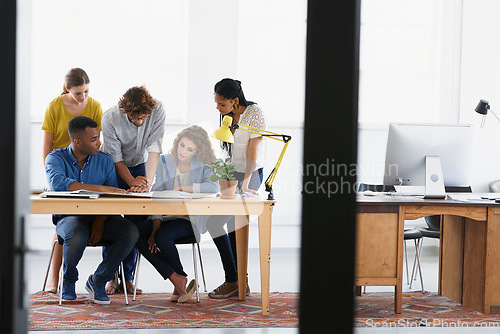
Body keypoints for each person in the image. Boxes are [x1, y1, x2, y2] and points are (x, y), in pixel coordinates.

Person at [45, 116, 138, 304]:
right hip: (69, 217)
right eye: (94, 139)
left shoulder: (105, 161)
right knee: (76, 232)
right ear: (77, 142)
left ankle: (99, 280)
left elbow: (112, 199)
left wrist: (100, 220)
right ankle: (69, 281)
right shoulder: (55, 158)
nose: (99, 143)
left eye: (98, 137)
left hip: (100, 217)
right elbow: (59, 184)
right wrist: (103, 188)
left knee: (130, 232)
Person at [135, 125, 227, 302]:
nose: (183, 151)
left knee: (163, 236)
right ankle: (178, 278)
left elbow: (213, 187)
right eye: (182, 145)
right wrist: (155, 224)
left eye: (190, 149)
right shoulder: (163, 161)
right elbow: (158, 195)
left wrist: (185, 188)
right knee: (136, 233)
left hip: (189, 220)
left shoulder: (203, 166)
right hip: (165, 217)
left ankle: (178, 282)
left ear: (197, 151)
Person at [41, 68, 104, 293]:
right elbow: (47, 146)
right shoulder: (54, 106)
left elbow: (96, 140)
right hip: (60, 163)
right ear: (68, 89)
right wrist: (52, 175)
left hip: (83, 163)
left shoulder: (95, 106)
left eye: (86, 91)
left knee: (79, 218)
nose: (83, 97)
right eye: (78, 93)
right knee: (63, 223)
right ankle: (53, 280)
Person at [100, 86, 166, 295]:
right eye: (134, 118)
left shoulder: (158, 109)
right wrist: (132, 183)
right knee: (112, 221)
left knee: (136, 224)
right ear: (125, 111)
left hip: (141, 167)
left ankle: (128, 278)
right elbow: (115, 158)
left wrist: (146, 182)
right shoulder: (110, 117)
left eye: (143, 118)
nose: (139, 122)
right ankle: (111, 276)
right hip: (112, 167)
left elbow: (155, 149)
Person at [208, 78, 267, 298]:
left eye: (221, 104)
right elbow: (229, 151)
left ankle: (237, 282)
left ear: (234, 100)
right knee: (214, 222)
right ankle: (235, 279)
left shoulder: (255, 113)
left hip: (251, 174)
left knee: (234, 221)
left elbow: (253, 149)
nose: (218, 108)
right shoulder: (228, 116)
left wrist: (246, 182)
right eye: (216, 103)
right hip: (233, 174)